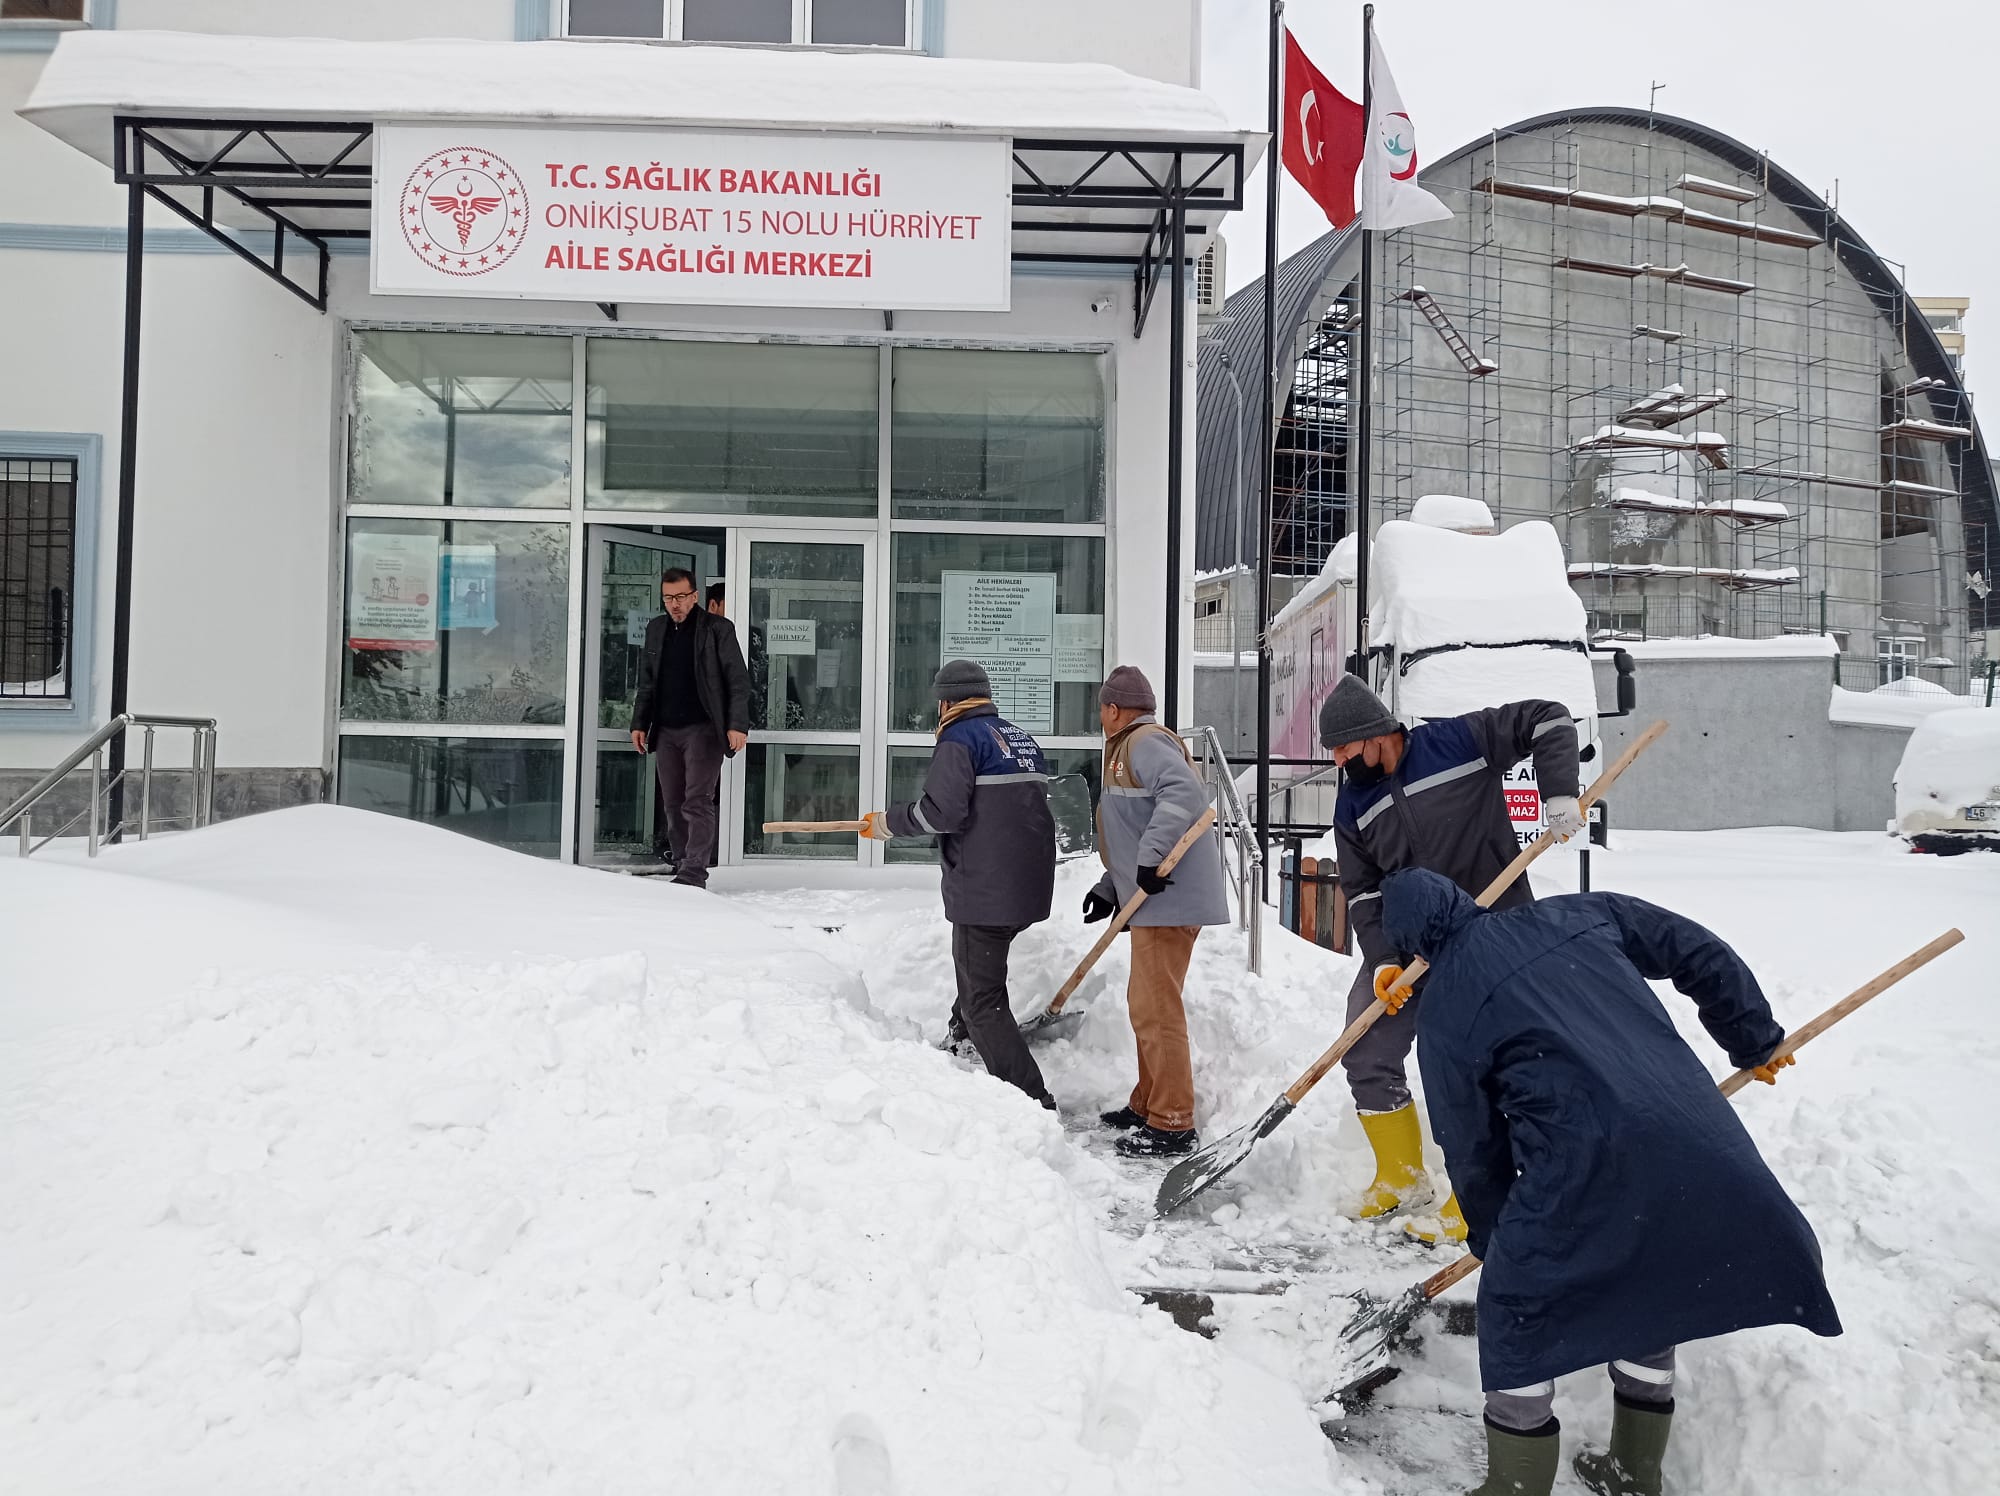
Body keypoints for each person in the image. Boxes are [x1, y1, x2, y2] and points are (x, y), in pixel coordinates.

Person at [1376, 867, 1840, 1496]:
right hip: (1701, 1136)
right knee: (1646, 1287)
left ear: (1415, 949)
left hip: (1586, 1164)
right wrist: (1752, 1036)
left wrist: (1494, 1237)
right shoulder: (1579, 913)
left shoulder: (1447, 1010)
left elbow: (1470, 1143)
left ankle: (1517, 1485)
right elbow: (1695, 949)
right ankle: (1634, 1475)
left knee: (1514, 1311)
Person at [1319, 674, 1583, 1239]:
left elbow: (1549, 716)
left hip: (1493, 931)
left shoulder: (1459, 741)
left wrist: (1557, 791)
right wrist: (1385, 958)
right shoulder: (1353, 801)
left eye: (1344, 747)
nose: (1340, 760)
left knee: (1482, 1064)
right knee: (1366, 1050)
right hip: (1411, 942)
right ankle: (1401, 1176)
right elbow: (1362, 889)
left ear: (1376, 734)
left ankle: (1476, 1196)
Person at [859, 660, 1058, 1110]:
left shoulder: (959, 739)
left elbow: (941, 813)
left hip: (985, 892)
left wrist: (888, 824)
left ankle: (1032, 1099)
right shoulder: (1022, 740)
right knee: (979, 971)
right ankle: (963, 1038)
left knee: (982, 1000)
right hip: (1027, 886)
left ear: (947, 702)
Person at [1086, 666, 1228, 1158]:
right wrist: (1111, 886)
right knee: (1145, 1006)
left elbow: (1185, 795)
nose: (1100, 716)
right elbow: (1131, 828)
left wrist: (1149, 861)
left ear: (1112, 709)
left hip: (1167, 900)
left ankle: (1172, 1122)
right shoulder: (1129, 747)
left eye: (1101, 708)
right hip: (1151, 899)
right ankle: (1148, 1102)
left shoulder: (1143, 741)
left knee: (1157, 1009)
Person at [630, 567, 749, 889]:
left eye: (681, 597)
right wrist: (639, 723)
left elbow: (737, 681)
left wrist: (737, 725)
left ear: (695, 596)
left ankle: (695, 871)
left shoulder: (717, 629)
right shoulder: (656, 629)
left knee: (697, 800)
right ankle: (683, 863)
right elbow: (647, 683)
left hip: (704, 728)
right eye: (668, 598)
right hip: (666, 729)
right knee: (672, 801)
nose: (675, 604)